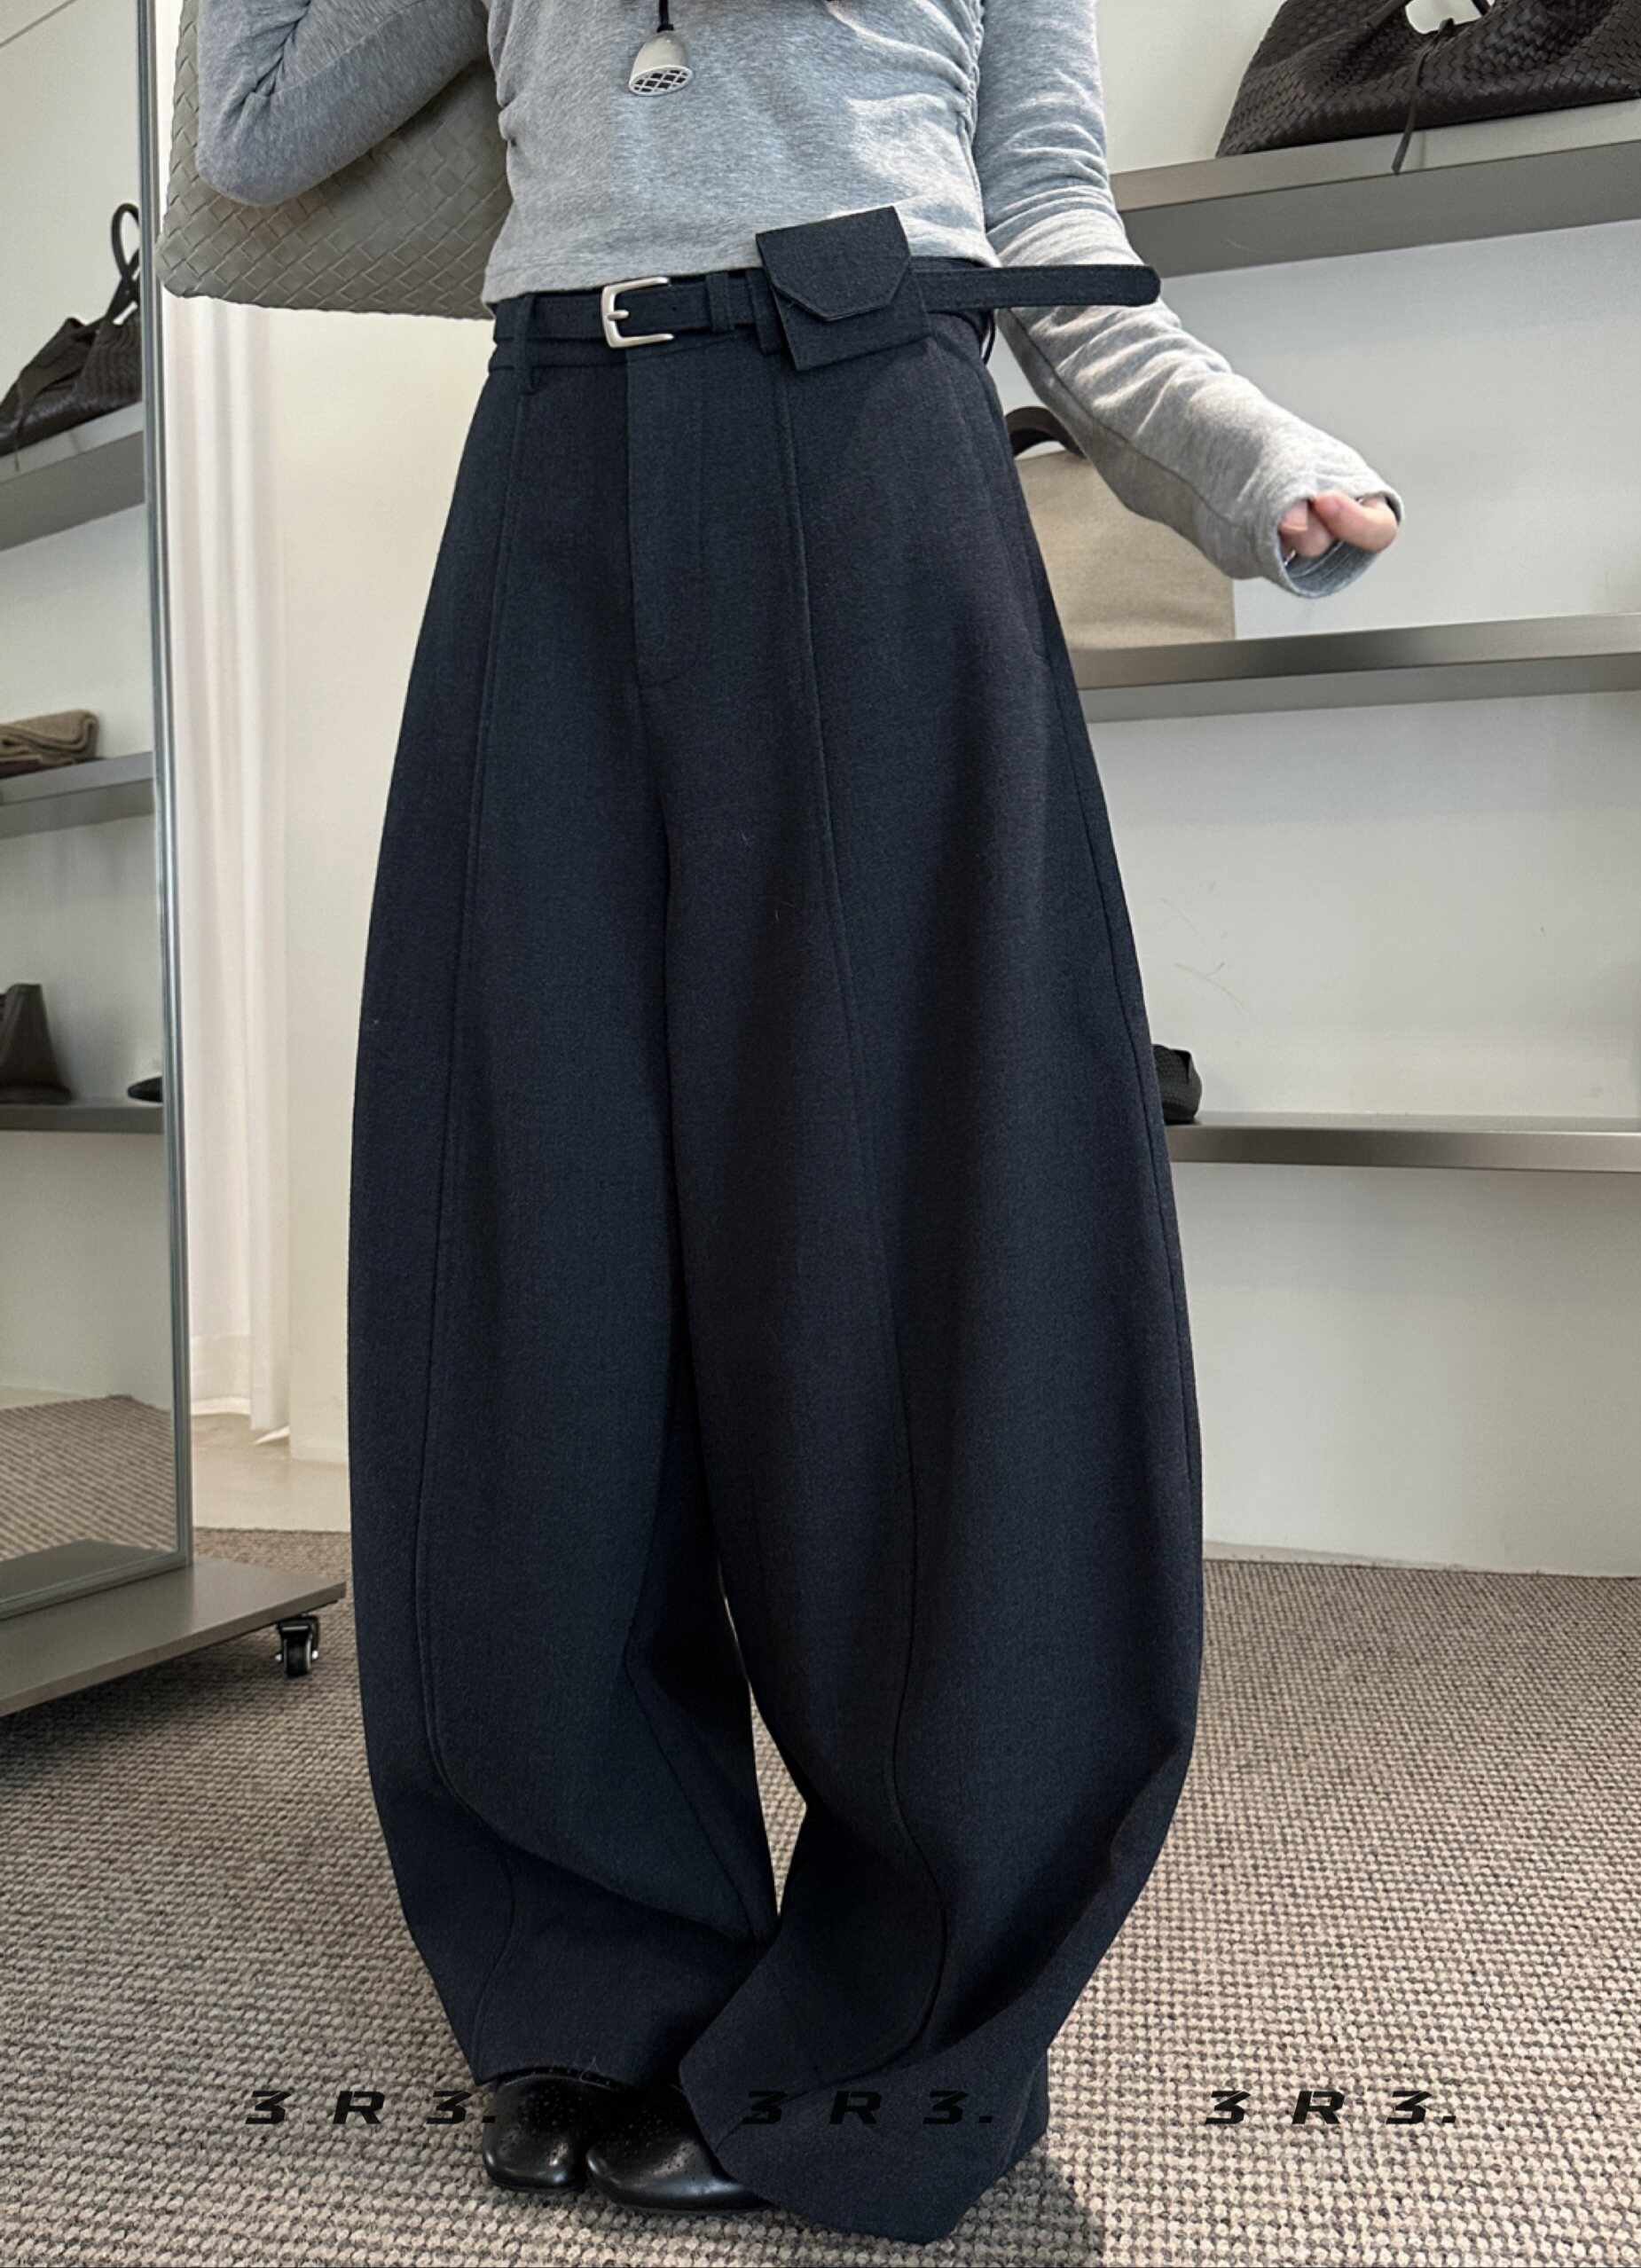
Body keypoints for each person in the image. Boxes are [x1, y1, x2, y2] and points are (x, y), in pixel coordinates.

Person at [195, 0, 1402, 2243]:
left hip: (870, 433)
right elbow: (257, 129)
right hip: (549, 455)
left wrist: (1248, 457)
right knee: (529, 1226)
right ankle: (589, 1957)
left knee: (913, 1251)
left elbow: (1049, 223)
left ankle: (907, 2014)